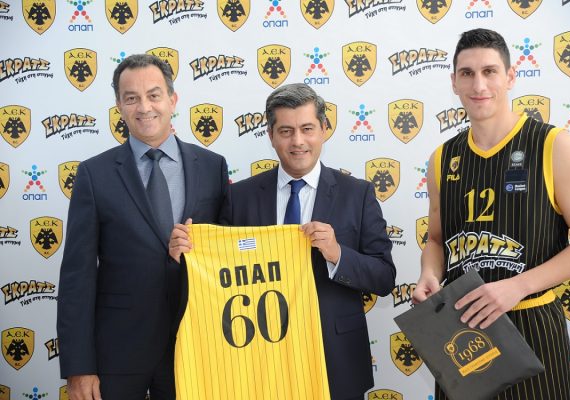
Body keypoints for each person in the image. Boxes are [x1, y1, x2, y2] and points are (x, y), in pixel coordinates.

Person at [169, 83, 396, 400]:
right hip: (259, 362)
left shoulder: (357, 194)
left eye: (307, 129)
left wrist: (337, 254)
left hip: (334, 360)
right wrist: (185, 258)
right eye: (286, 131)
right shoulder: (239, 197)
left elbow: (384, 278)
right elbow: (217, 276)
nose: (298, 141)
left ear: (324, 129)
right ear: (271, 135)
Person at [412, 28, 570, 399]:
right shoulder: (442, 159)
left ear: (510, 76)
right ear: (454, 82)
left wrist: (518, 286)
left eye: (490, 71)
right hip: (463, 333)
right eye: (467, 73)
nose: (478, 84)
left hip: (533, 327)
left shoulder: (552, 145)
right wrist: (429, 274)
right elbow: (436, 239)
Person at [57, 54, 228, 400]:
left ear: (172, 100)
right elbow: (77, 277)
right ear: (119, 106)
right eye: (131, 98)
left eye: (153, 95)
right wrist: (78, 367)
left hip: (196, 346)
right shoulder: (94, 174)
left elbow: (228, 254)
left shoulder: (213, 167)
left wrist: (196, 255)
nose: (144, 107)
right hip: (117, 351)